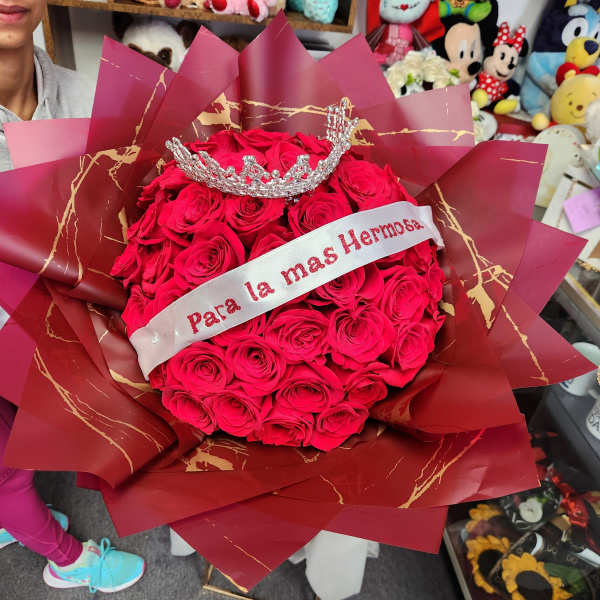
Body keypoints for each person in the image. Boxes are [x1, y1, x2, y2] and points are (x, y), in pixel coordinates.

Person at [0, 0, 146, 592]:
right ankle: (67, 561)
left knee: (26, 442)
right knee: (7, 473)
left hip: (55, 330)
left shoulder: (89, 99)